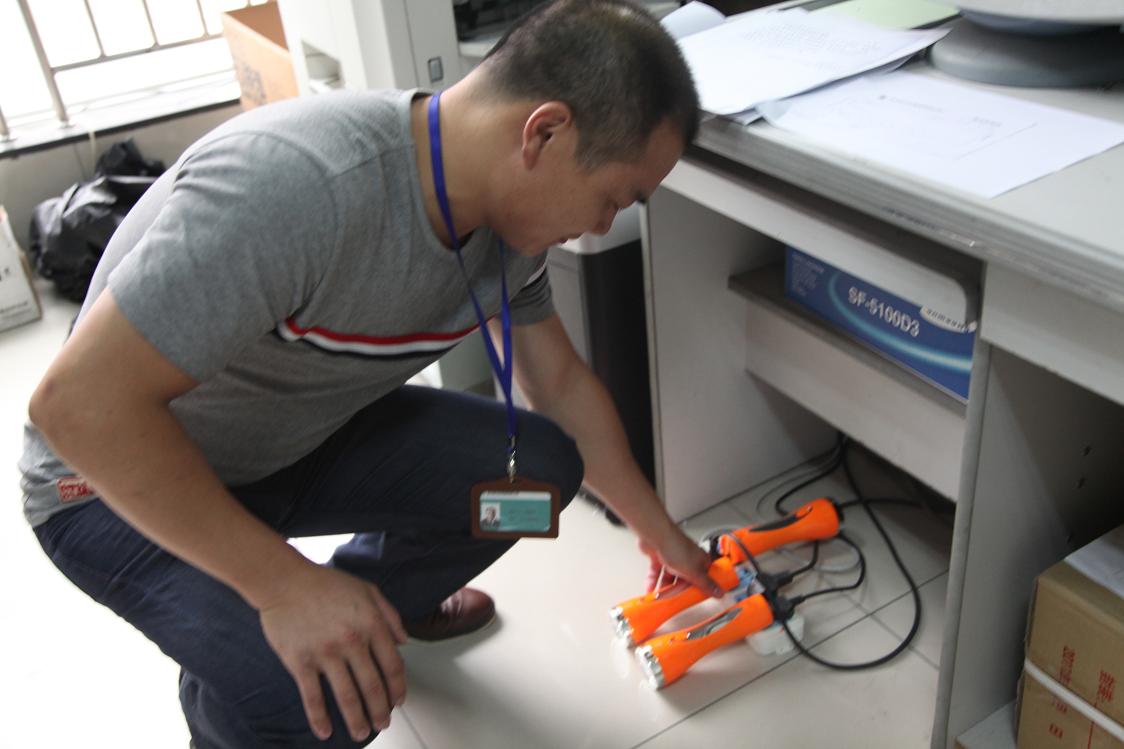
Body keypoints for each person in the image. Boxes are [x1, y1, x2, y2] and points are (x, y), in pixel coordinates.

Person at [19, 0, 722, 746]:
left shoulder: (508, 230)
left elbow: (561, 386)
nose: (603, 224)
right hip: (112, 484)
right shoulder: (298, 187)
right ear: (544, 133)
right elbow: (75, 407)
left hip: (294, 442)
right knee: (325, 698)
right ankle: (254, 684)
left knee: (536, 488)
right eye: (612, 198)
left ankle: (379, 600)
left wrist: (661, 535)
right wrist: (282, 585)